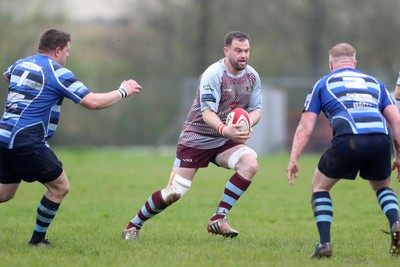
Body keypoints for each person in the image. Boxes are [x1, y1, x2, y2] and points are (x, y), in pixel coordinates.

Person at [0, 28, 142, 246]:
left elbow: (7, 76)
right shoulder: (57, 72)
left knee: (5, 192)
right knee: (59, 187)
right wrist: (123, 91)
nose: (68, 56)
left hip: (4, 135)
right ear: (57, 50)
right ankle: (37, 241)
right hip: (27, 140)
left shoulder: (21, 64)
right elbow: (92, 102)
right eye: (67, 51)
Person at [122, 31, 262, 240]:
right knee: (174, 193)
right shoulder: (213, 74)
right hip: (196, 137)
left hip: (224, 140)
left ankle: (218, 219)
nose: (243, 55)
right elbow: (207, 113)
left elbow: (256, 109)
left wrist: (246, 124)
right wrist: (226, 129)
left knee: (250, 164)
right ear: (226, 51)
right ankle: (133, 225)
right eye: (238, 51)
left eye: (247, 51)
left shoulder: (252, 76)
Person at [287, 43, 400, 258]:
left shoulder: (323, 83)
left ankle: (324, 244)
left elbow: (306, 125)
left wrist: (294, 157)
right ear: (355, 63)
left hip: (349, 139)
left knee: (319, 186)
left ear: (331, 64)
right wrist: (399, 156)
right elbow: (396, 121)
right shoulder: (375, 83)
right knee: (383, 187)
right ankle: (396, 223)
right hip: (379, 139)